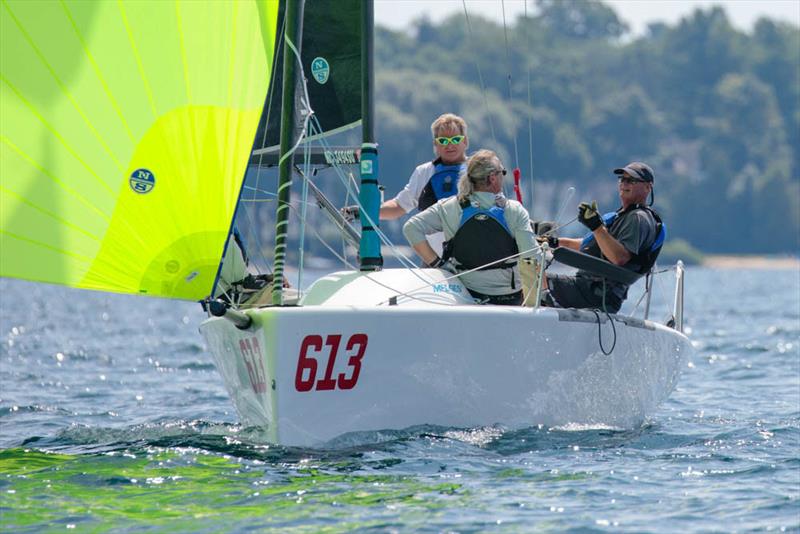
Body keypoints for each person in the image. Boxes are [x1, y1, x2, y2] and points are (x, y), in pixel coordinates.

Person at [403, 149, 539, 305]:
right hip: (508, 298)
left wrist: (439, 264)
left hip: (464, 296)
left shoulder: (448, 207)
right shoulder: (514, 210)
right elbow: (532, 257)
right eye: (503, 172)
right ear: (493, 178)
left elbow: (411, 228)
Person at [540, 161, 665, 313]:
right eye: (622, 179)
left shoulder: (638, 218)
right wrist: (555, 242)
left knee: (534, 278)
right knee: (534, 276)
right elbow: (590, 246)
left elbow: (619, 258)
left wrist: (596, 227)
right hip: (589, 289)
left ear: (647, 187)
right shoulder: (622, 216)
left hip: (598, 294)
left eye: (631, 180)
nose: (624, 184)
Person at [343, 113, 469, 255]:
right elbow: (399, 206)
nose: (450, 145)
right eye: (444, 141)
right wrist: (363, 213)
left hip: (473, 259)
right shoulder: (423, 172)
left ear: (465, 142)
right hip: (434, 262)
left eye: (455, 139)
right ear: (435, 144)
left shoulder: (477, 170)